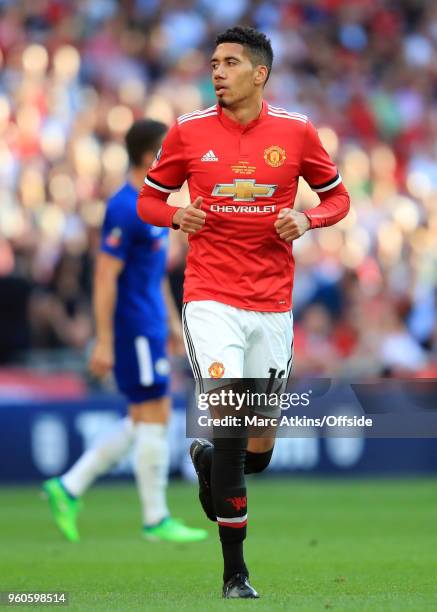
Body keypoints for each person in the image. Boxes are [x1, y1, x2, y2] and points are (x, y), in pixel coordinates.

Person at [137, 26, 350, 598]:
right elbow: (148, 199)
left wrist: (308, 220)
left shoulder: (296, 131)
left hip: (272, 304)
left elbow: (338, 197)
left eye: (230, 62)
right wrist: (175, 215)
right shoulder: (188, 132)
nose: (217, 70)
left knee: (256, 453)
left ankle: (208, 459)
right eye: (213, 62)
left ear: (260, 73)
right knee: (230, 424)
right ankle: (236, 574)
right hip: (209, 299)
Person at [43, 119, 207, 545]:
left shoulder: (155, 205)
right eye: (167, 152)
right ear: (148, 157)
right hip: (132, 328)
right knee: (153, 414)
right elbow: (103, 277)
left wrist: (172, 323)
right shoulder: (124, 207)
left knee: (147, 418)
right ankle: (155, 519)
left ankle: (69, 486)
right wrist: (104, 339)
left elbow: (152, 277)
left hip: (151, 323)